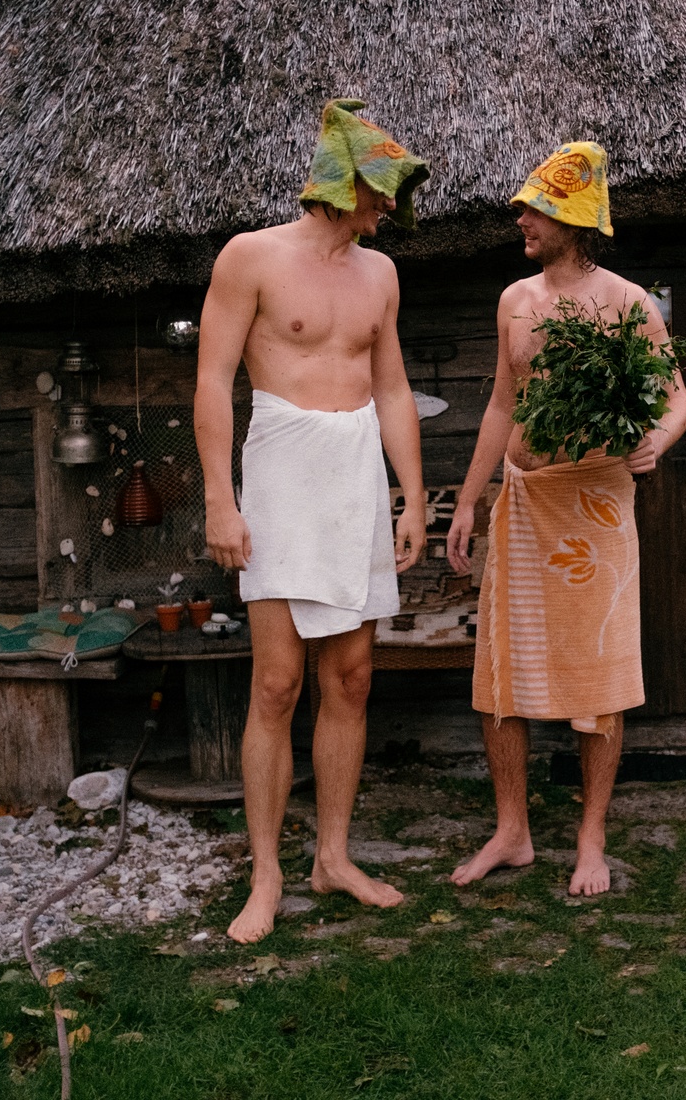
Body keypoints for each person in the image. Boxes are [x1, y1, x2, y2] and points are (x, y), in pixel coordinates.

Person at [196, 99, 430, 943]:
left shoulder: (381, 275)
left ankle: (332, 857)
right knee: (276, 683)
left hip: (354, 471)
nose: (387, 211)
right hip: (282, 468)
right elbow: (213, 381)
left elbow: (394, 386)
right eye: (378, 193)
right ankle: (265, 875)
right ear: (340, 184)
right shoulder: (251, 257)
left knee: (354, 677)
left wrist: (412, 493)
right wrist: (221, 499)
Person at [443, 142, 686, 897]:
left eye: (533, 209)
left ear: (571, 220)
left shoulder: (627, 303)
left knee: (599, 673)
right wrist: (467, 498)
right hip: (522, 502)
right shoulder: (514, 300)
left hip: (597, 503)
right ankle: (513, 831)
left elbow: (677, 396)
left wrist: (658, 438)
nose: (519, 218)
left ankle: (590, 840)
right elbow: (500, 405)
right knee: (502, 676)